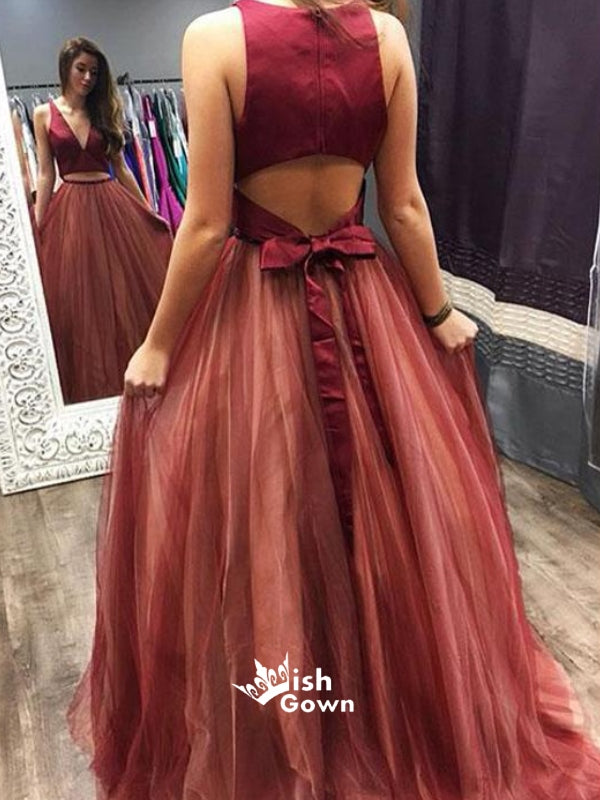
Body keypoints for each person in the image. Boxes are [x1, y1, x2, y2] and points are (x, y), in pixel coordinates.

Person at [66, 1, 600, 797]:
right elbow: (404, 204)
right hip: (365, 305)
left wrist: (160, 344)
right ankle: (380, 703)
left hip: (257, 302)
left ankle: (289, 713)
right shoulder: (387, 38)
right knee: (390, 511)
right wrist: (436, 314)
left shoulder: (214, 38)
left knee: (266, 510)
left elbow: (206, 224)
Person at [33, 37, 173, 404]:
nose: (87, 78)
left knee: (122, 293)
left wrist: (148, 210)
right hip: (70, 211)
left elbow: (121, 168)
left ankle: (137, 378)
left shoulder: (104, 112)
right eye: (81, 69)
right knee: (80, 298)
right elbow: (45, 174)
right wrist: (38, 223)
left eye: (94, 72)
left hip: (111, 205)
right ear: (65, 68)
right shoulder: (43, 114)